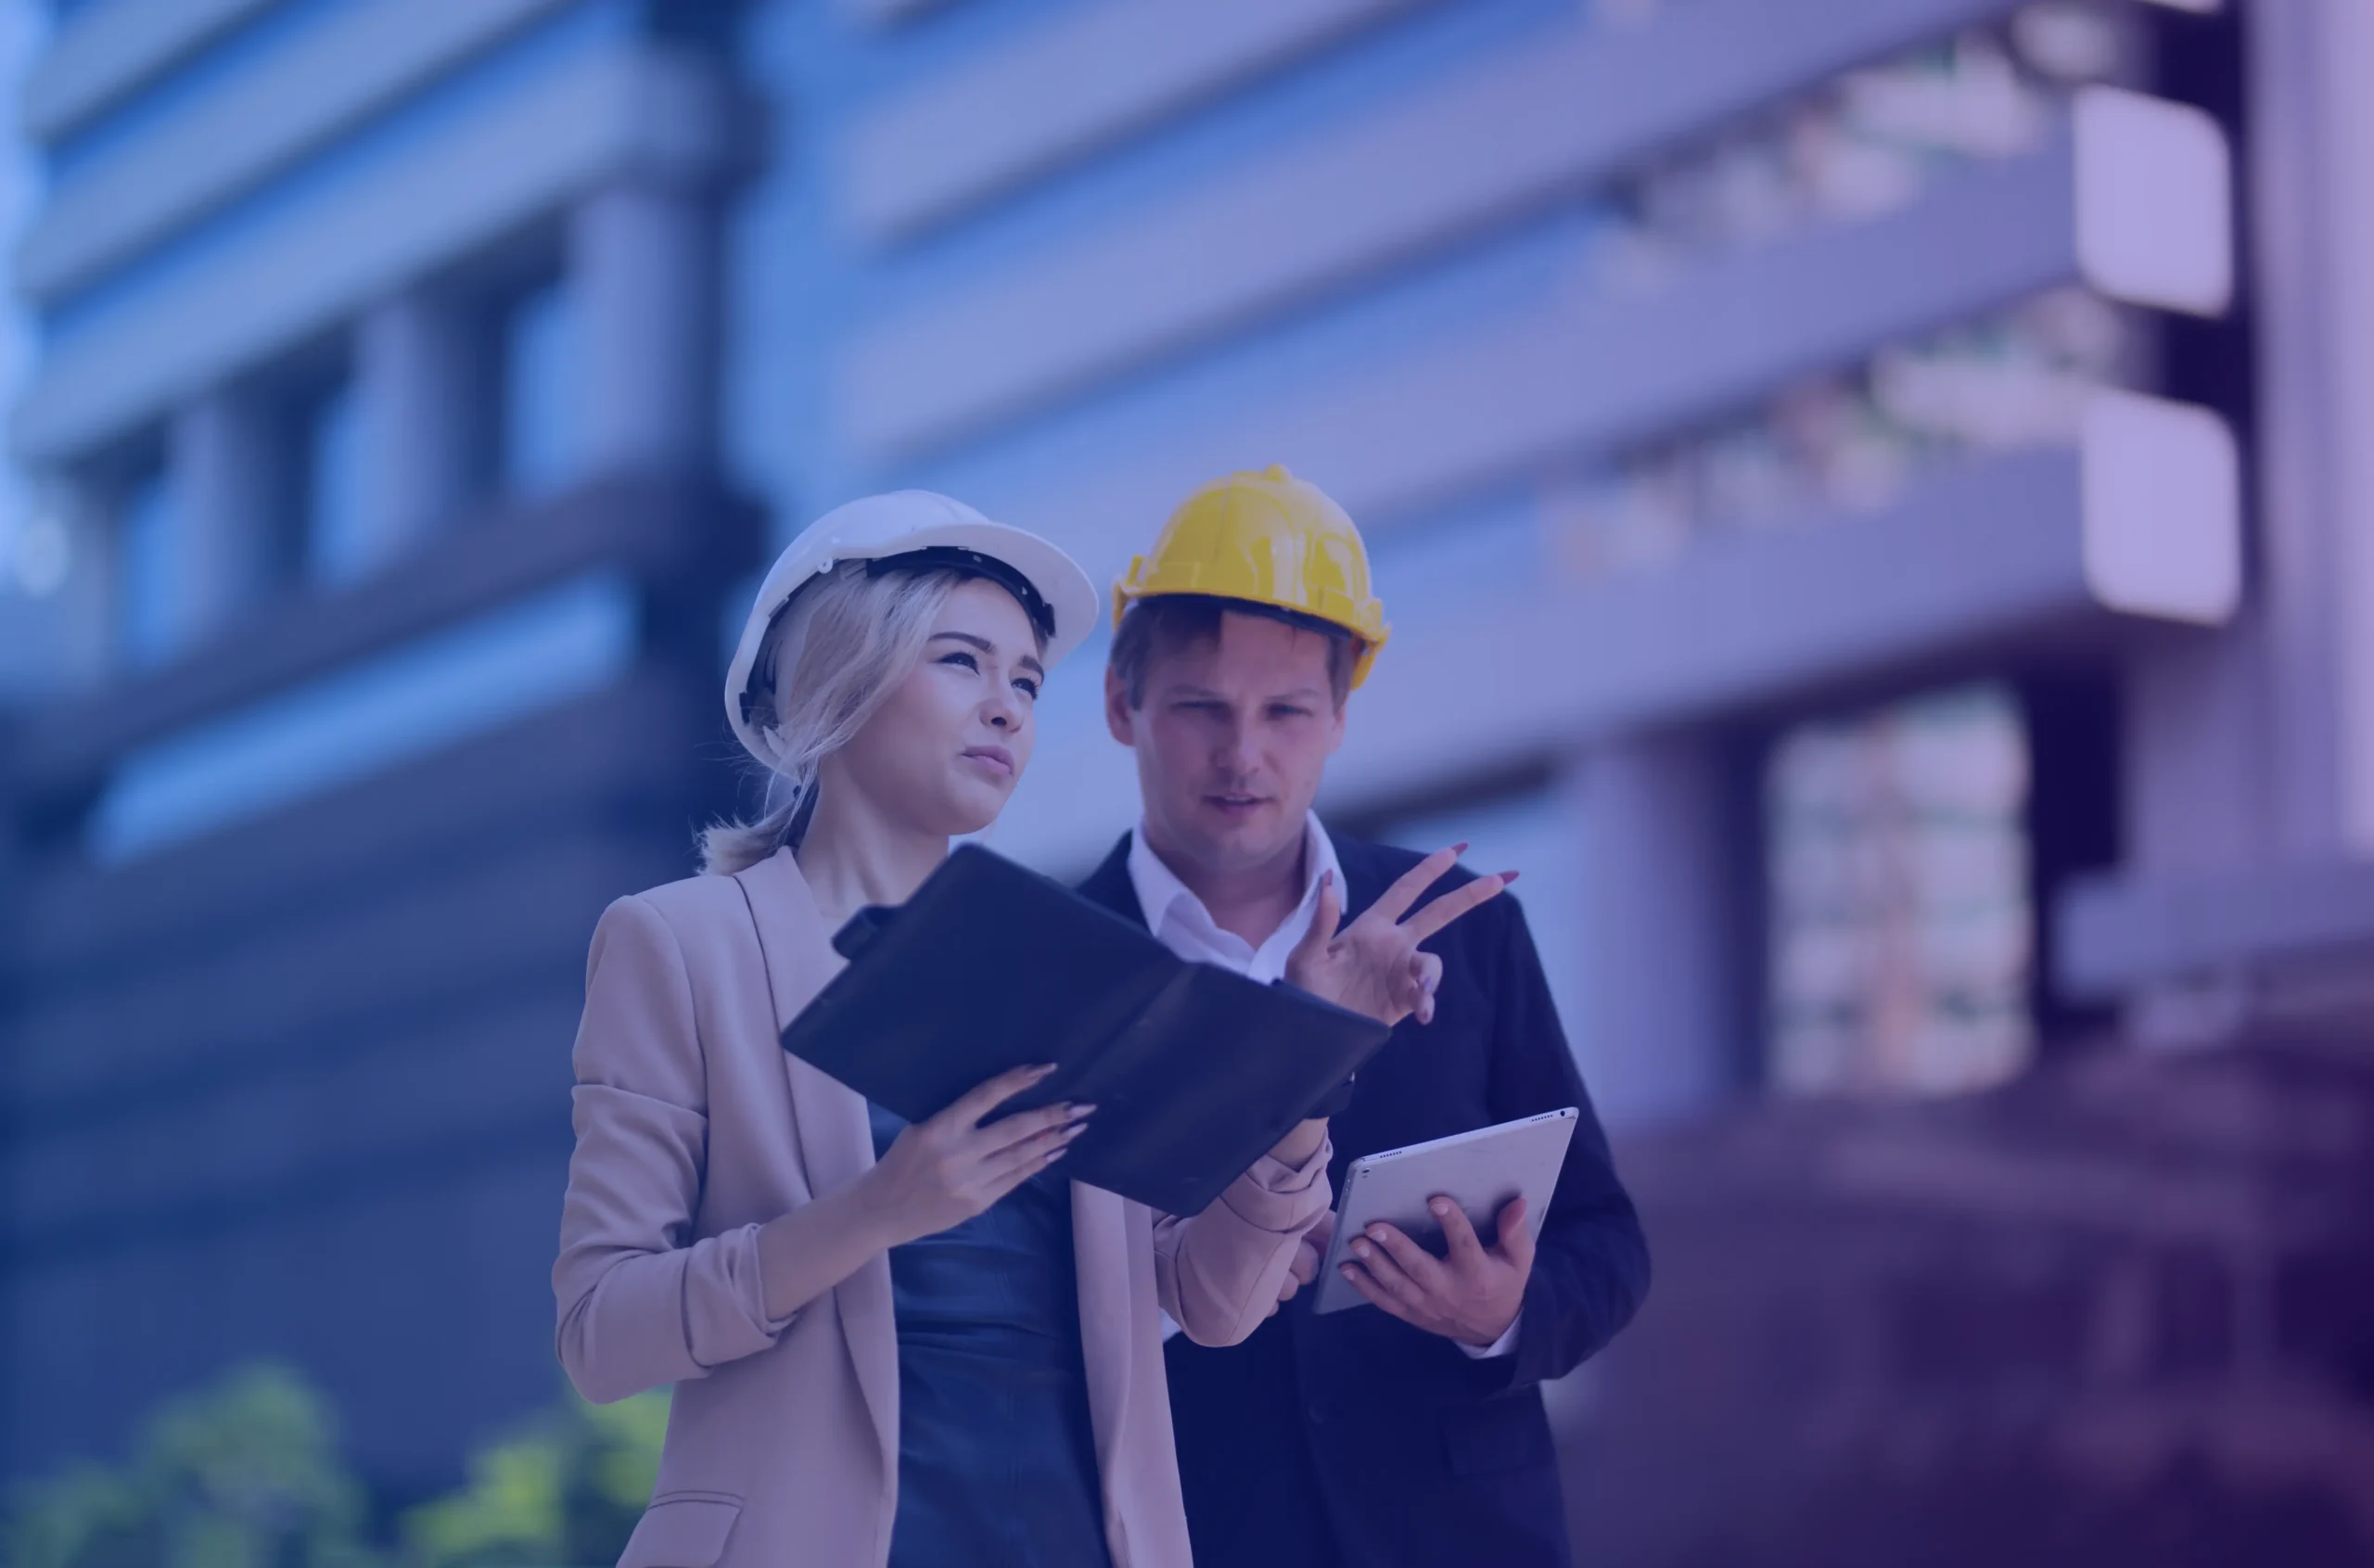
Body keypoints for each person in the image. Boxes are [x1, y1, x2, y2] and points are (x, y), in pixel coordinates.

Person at [551, 490, 1491, 1568]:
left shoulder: (1071, 966)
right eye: (961, 662)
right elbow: (602, 1331)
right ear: (842, 669)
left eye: (1027, 682)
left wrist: (1302, 1065)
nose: (1006, 707)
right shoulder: (681, 944)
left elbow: (1210, 1300)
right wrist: (875, 1211)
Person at [1078, 466, 1653, 1568]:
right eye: (1202, 707)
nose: (1243, 753)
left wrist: (1497, 1311)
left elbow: (1608, 1244)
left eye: (1286, 710)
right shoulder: (1053, 966)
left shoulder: (1465, 931)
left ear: (1339, 715)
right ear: (1121, 704)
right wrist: (1305, 1034)